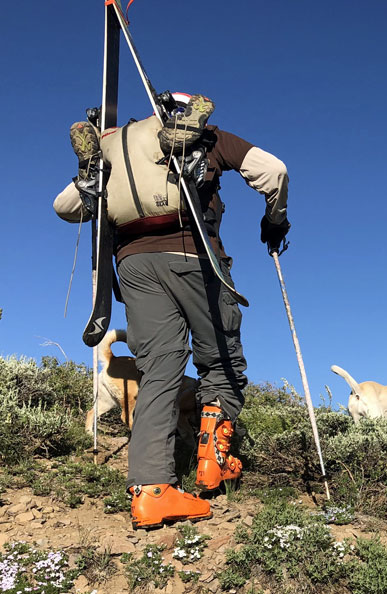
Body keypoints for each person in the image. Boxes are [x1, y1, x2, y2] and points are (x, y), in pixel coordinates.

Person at [54, 92, 290, 528]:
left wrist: (95, 173)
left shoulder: (115, 148)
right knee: (221, 362)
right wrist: (276, 219)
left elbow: (65, 207)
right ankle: (212, 462)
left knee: (158, 370)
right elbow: (274, 171)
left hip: (133, 266)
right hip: (195, 256)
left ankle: (151, 490)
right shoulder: (211, 138)